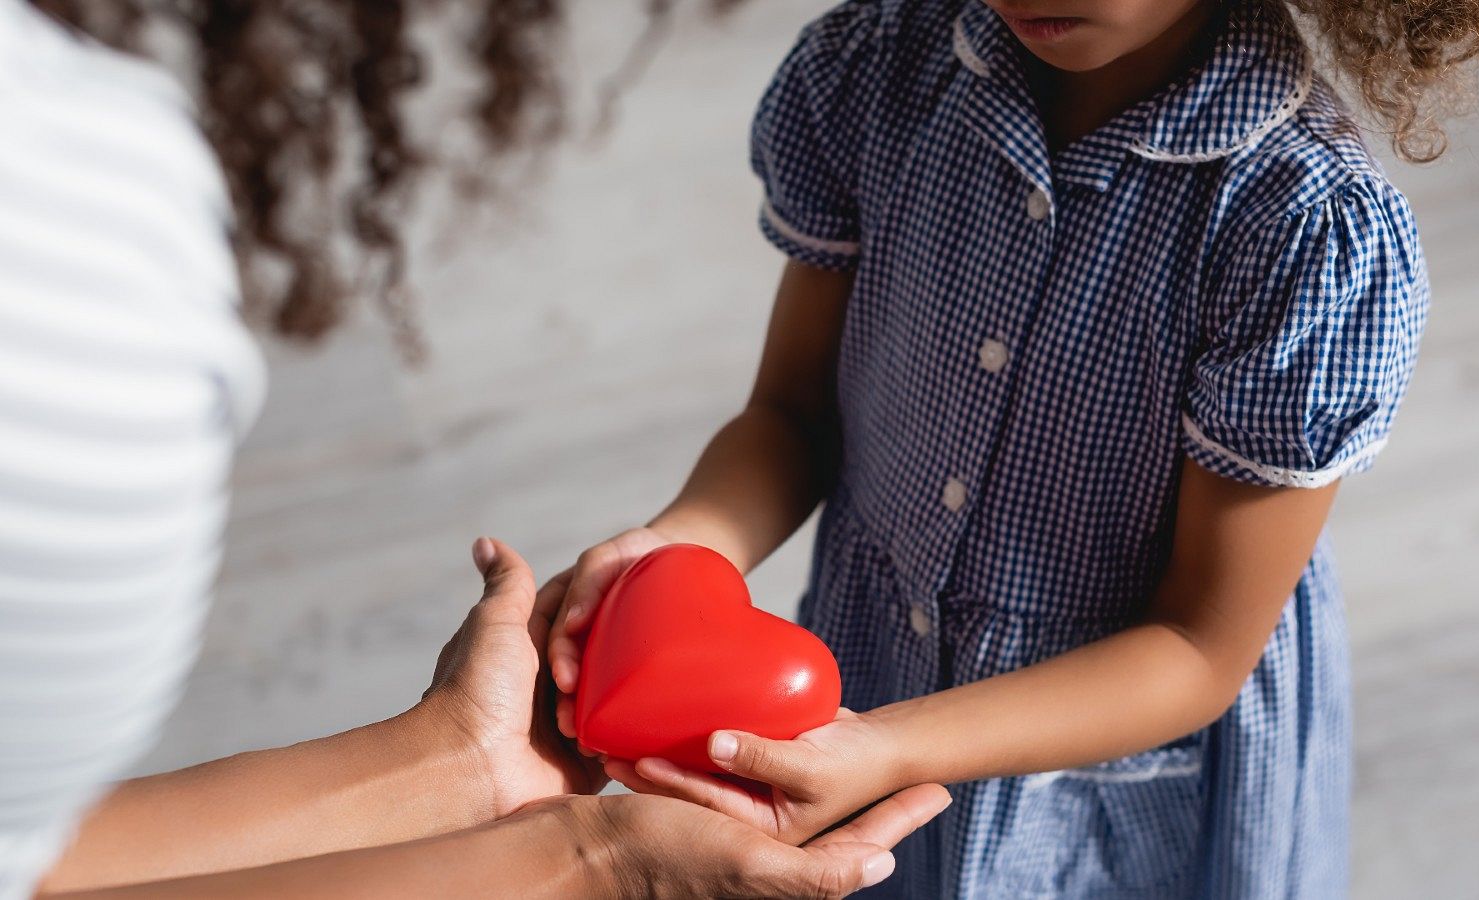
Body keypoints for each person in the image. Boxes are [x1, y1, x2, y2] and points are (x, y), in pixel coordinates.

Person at [543, 0, 1479, 896]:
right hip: (870, 668)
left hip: (1125, 755)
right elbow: (792, 418)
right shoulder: (876, 74)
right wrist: (680, 547)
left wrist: (889, 750)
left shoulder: (1303, 227)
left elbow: (1195, 648)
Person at [0, 0, 950, 896]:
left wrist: (460, 756)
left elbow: (21, 852)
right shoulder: (84, 240)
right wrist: (594, 864)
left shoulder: (86, 197)